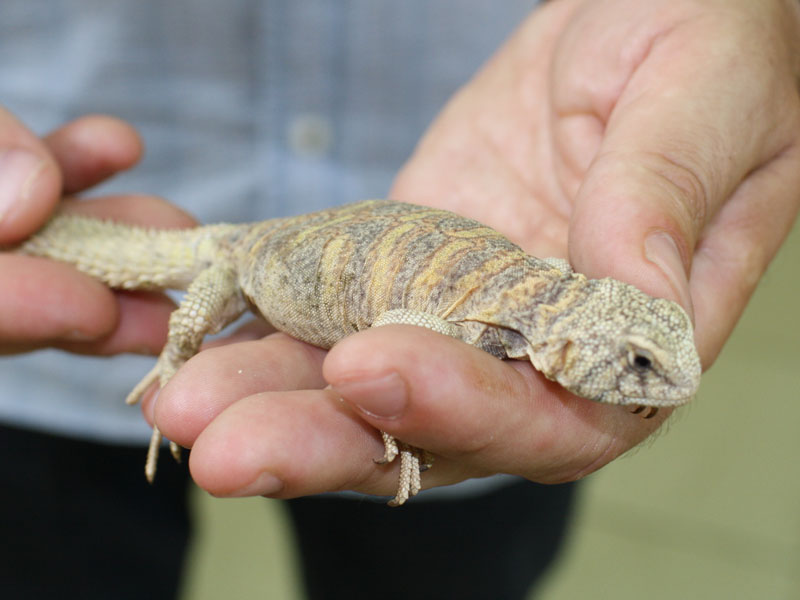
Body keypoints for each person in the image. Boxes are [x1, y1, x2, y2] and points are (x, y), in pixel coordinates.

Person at [1, 0, 799, 598]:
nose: (666, 387)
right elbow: (406, 327)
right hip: (222, 266)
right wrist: (179, 354)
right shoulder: (489, 325)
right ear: (570, 345)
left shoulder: (529, 311)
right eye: (637, 363)